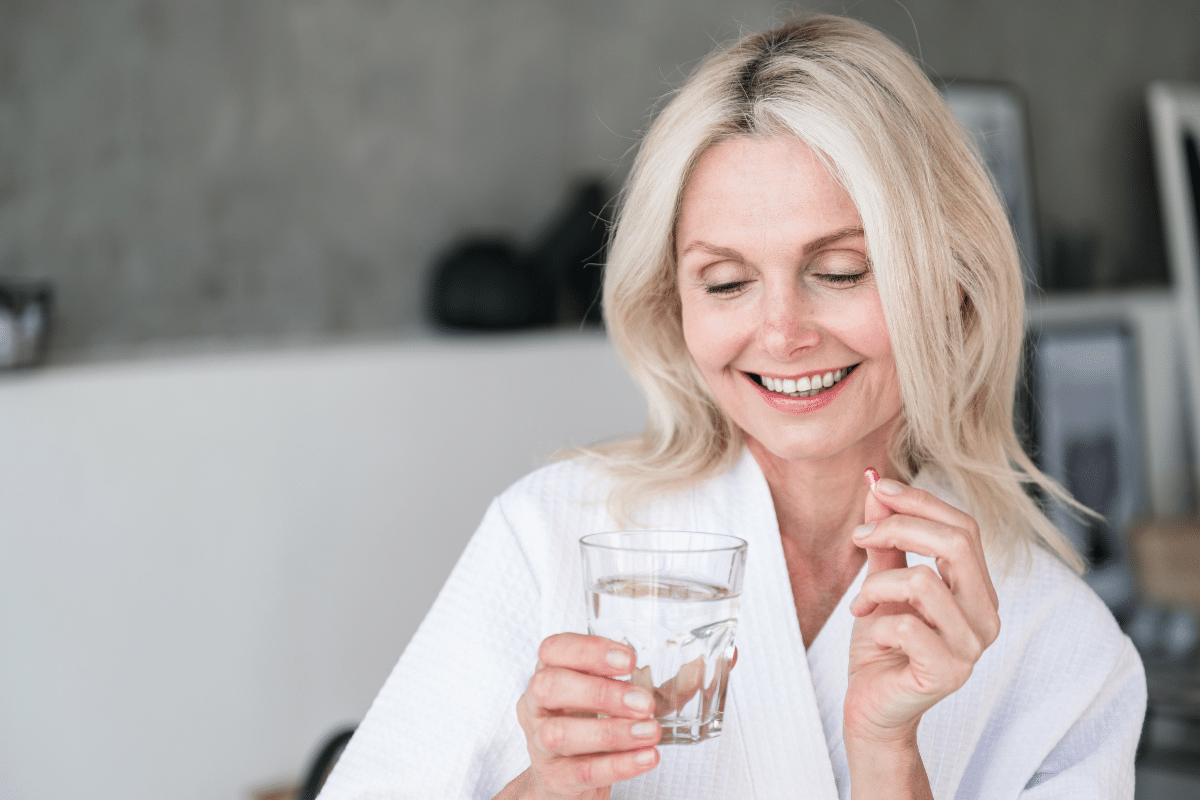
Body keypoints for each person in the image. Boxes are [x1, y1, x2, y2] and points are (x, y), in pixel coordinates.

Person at [318, 13, 1146, 800]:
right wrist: (545, 789)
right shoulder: (548, 541)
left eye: (841, 271)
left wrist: (889, 757)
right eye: (726, 282)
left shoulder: (1059, 648)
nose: (781, 334)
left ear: (950, 283)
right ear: (674, 301)